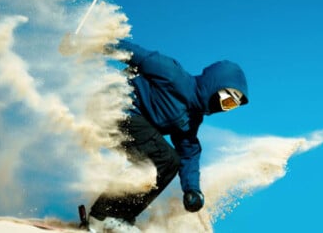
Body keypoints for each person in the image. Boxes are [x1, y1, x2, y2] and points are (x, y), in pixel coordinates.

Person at [88, 39, 249, 233]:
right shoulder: (173, 75)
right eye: (227, 100)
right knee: (165, 160)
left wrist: (192, 190)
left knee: (154, 165)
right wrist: (90, 42)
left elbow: (189, 152)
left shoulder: (191, 119)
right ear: (215, 86)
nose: (224, 108)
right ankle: (105, 216)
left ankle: (114, 216)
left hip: (129, 122)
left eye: (231, 106)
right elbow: (135, 53)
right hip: (116, 107)